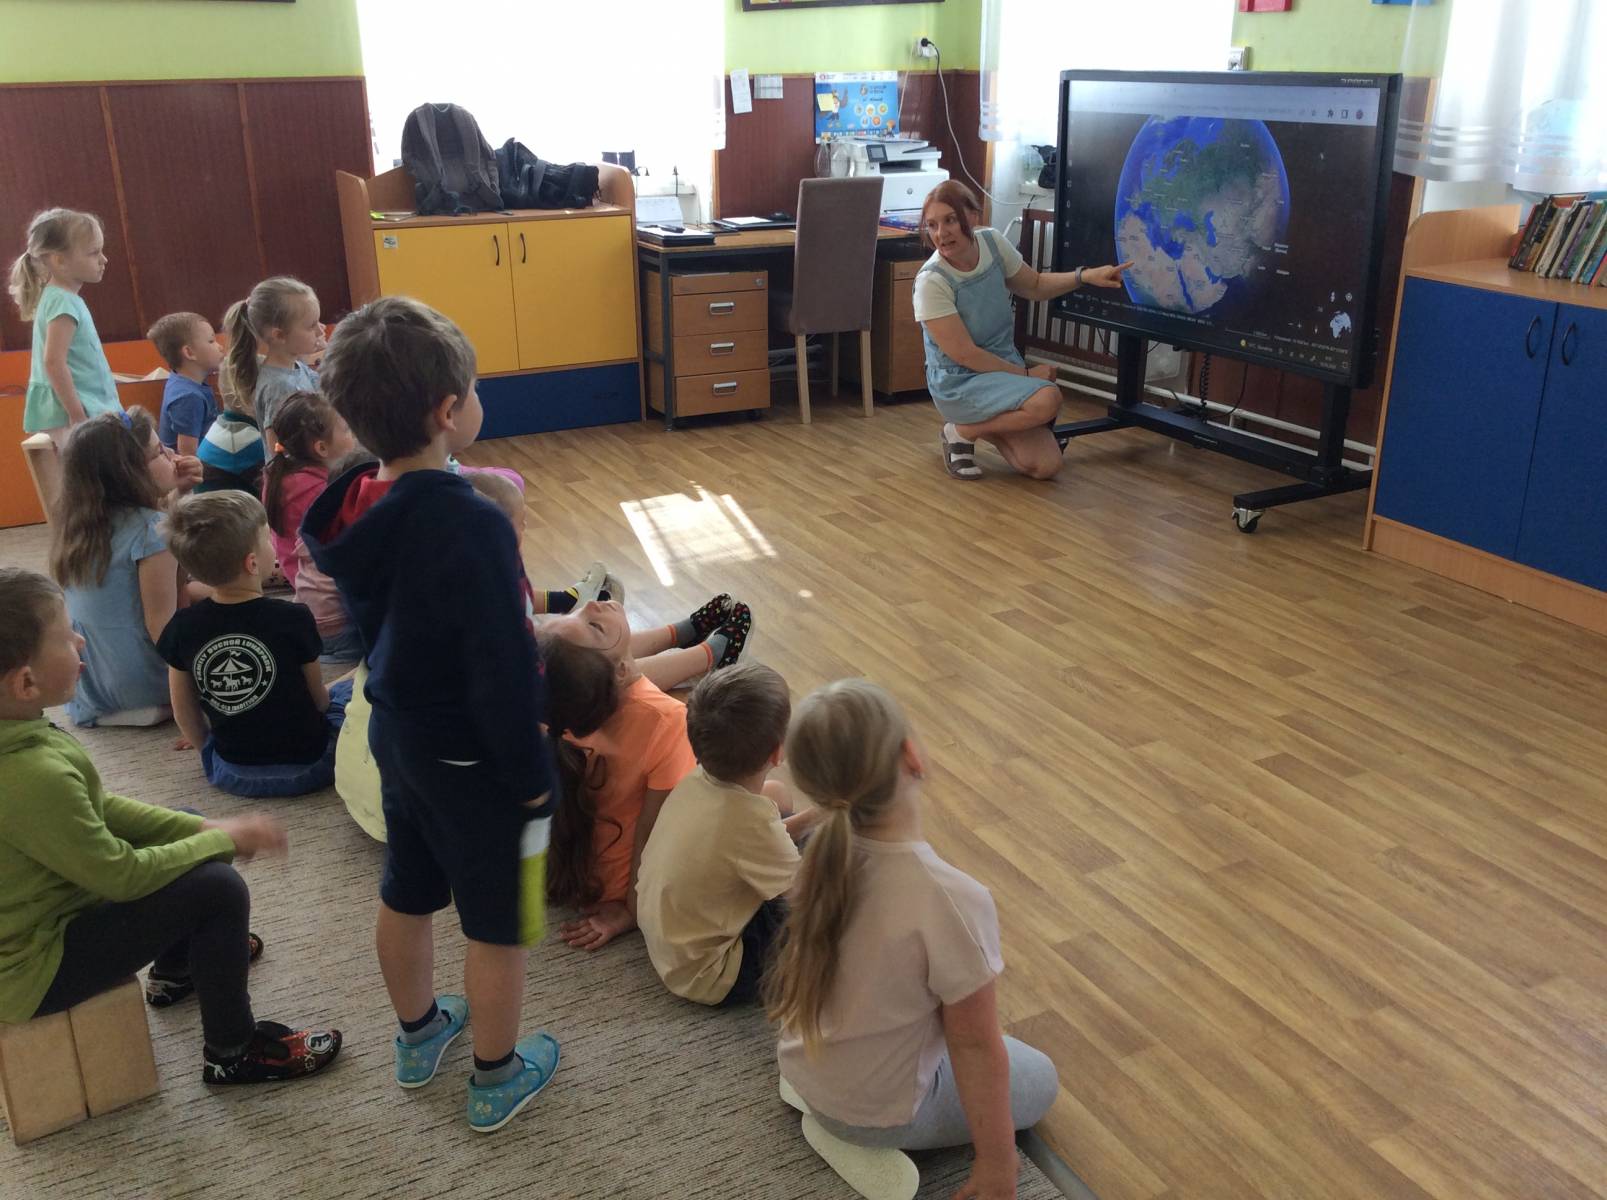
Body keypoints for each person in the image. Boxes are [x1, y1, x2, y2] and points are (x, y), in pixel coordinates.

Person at [302, 295, 559, 1133]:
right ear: (449, 412)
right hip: (473, 756)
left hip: (396, 733)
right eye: (473, 389)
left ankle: (417, 1036)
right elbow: (502, 669)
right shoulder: (471, 524)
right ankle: (495, 1075)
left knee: (406, 889)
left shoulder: (353, 502)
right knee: (496, 924)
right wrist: (531, 776)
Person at [0, 567, 342, 1085]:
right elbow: (122, 876)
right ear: (26, 682)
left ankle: (176, 971)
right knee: (217, 888)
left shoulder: (20, 735)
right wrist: (222, 838)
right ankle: (233, 1051)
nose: (80, 641)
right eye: (67, 636)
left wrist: (203, 826)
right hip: (36, 968)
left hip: (47, 922)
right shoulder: (30, 775)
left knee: (186, 829)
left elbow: (98, 807)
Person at [768, 679, 1058, 1200]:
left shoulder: (817, 859)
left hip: (802, 1067)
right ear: (912, 756)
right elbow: (973, 1045)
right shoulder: (952, 900)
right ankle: (857, 1138)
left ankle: (833, 1113)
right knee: (1041, 1077)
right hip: (875, 1114)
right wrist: (998, 1164)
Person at [538, 594, 752, 952]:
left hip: (566, 867)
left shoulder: (555, 704)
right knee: (773, 795)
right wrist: (631, 909)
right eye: (594, 625)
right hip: (615, 884)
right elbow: (658, 831)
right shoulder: (667, 721)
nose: (591, 604)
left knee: (607, 661)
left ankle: (698, 646)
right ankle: (708, 652)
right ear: (620, 673)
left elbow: (612, 671)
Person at [915, 181, 1130, 482]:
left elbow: (1036, 285)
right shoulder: (931, 281)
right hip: (959, 381)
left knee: (1045, 466)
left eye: (950, 220)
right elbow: (966, 355)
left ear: (973, 216)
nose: (941, 233)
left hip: (1000, 368)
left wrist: (1086, 276)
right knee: (1047, 398)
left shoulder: (992, 242)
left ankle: (963, 430)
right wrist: (1027, 376)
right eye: (932, 225)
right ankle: (967, 428)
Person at [637, 663, 817, 1007]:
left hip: (672, 945)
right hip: (712, 974)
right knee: (833, 881)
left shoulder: (695, 780)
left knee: (778, 800)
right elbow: (804, 898)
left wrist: (816, 815)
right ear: (777, 752)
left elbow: (750, 840)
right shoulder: (751, 823)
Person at [464, 471, 742, 693]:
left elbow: (517, 602)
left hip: (516, 670)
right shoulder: (486, 588)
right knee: (598, 671)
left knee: (583, 651)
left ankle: (681, 634)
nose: (526, 527)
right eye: (521, 522)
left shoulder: (483, 572)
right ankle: (709, 655)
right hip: (529, 694)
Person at [158, 491, 352, 798]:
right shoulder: (293, 617)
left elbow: (184, 712)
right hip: (312, 766)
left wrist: (208, 750)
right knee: (349, 689)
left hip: (231, 772)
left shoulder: (182, 627)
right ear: (252, 563)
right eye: (267, 538)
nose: (272, 544)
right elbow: (319, 701)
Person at [50, 409, 189, 727]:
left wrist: (177, 492)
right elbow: (162, 628)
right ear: (131, 472)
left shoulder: (78, 523)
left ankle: (127, 708)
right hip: (140, 682)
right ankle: (158, 704)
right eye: (159, 451)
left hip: (89, 681)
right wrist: (195, 698)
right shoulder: (152, 529)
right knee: (223, 607)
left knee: (203, 592)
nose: (171, 455)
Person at [8, 208, 123, 449]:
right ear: (59, 260)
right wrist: (77, 415)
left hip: (82, 408)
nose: (104, 259)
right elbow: (53, 362)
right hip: (74, 413)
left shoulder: (62, 298)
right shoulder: (62, 301)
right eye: (94, 253)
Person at [262, 391, 356, 591]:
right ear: (322, 448)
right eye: (347, 429)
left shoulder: (279, 474)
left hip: (297, 573)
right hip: (320, 586)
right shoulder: (319, 492)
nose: (354, 434)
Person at [222, 276, 322, 437]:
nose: (320, 331)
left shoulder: (296, 367)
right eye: (311, 326)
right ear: (279, 335)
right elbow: (276, 445)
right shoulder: (279, 387)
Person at [149, 311, 226, 457]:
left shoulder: (182, 380)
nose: (220, 347)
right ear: (189, 353)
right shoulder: (188, 397)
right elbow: (188, 454)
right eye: (211, 341)